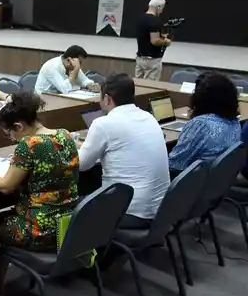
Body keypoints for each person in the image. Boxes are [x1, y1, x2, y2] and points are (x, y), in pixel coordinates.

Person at [0, 91, 79, 251]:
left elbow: (6, 187)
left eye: (10, 133)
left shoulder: (29, 144)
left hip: (41, 230)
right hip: (69, 225)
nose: (12, 139)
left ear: (19, 126)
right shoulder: (66, 135)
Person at [77, 73, 169, 222]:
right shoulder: (148, 117)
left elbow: (82, 164)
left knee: (74, 203)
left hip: (129, 213)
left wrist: (66, 144)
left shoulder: (103, 124)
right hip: (161, 211)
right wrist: (83, 145)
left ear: (107, 98)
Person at [168, 71, 241, 175]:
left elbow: (174, 164)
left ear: (201, 98)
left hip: (189, 182)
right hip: (217, 180)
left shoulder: (200, 124)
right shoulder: (235, 122)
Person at [34, 45, 100, 95]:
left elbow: (84, 80)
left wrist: (92, 85)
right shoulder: (51, 67)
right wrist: (74, 73)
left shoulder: (72, 65)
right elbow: (65, 90)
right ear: (69, 60)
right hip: (42, 99)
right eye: (79, 62)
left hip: (58, 97)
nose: (79, 66)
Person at [135, 0, 172, 81]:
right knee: (150, 86)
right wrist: (166, 42)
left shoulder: (141, 18)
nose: (162, 11)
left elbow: (146, 35)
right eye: (162, 8)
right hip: (152, 61)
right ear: (158, 7)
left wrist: (161, 36)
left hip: (140, 58)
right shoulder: (154, 21)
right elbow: (155, 41)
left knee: (138, 84)